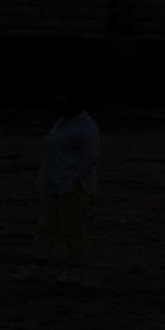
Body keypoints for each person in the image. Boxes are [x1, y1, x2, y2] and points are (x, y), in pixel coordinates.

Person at [32, 99, 102, 273]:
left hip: (74, 185)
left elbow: (91, 156)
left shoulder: (85, 125)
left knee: (71, 227)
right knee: (46, 225)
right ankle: (40, 263)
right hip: (53, 182)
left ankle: (75, 266)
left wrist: (75, 178)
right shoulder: (62, 122)